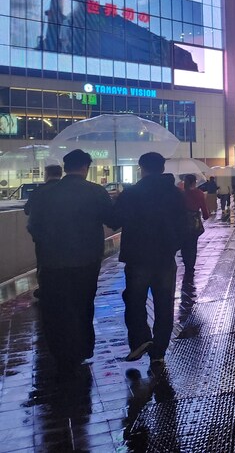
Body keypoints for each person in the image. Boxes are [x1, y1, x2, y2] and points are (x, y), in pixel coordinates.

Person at [26, 150, 114, 375]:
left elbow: (33, 225)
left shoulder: (43, 193)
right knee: (83, 304)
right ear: (86, 167)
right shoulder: (95, 192)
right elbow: (114, 220)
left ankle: (60, 353)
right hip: (86, 260)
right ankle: (82, 349)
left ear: (65, 168)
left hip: (52, 261)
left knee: (55, 308)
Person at [114, 152, 189, 366]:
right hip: (165, 255)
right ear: (163, 169)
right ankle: (159, 350)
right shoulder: (175, 193)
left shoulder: (132, 193)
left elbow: (115, 220)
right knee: (164, 303)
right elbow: (183, 223)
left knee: (134, 299)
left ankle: (140, 339)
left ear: (142, 168)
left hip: (137, 255)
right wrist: (173, 244)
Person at [24, 163, 63, 300]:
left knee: (44, 264)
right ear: (60, 173)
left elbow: (27, 210)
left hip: (43, 237)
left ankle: (45, 290)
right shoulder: (66, 190)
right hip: (66, 236)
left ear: (47, 175)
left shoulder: (39, 191)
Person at [180, 174, 209, 273]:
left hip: (183, 222)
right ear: (194, 182)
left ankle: (186, 262)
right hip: (195, 221)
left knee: (184, 244)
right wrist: (205, 216)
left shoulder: (182, 194)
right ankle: (191, 265)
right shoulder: (199, 193)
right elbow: (204, 208)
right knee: (193, 244)